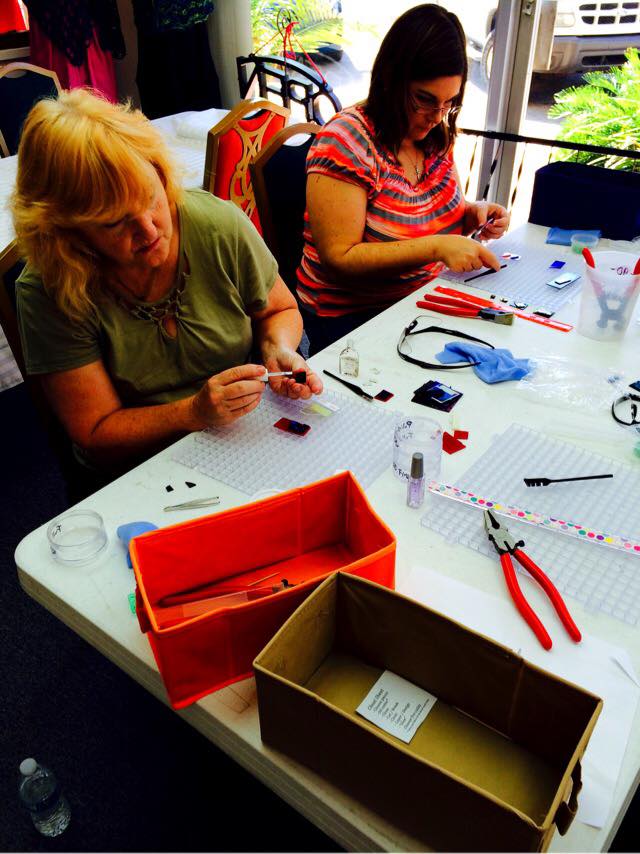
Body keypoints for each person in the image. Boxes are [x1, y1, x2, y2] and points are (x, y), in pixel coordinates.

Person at [11, 88, 322, 489]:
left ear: (160, 173)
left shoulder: (216, 223)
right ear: (66, 233)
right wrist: (192, 413)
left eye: (151, 198)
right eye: (113, 223)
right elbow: (95, 433)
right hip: (139, 474)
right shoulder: (50, 288)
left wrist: (276, 348)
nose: (148, 229)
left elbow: (279, 311)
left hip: (244, 435)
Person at [297, 3, 510, 354]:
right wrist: (437, 247)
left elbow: (423, 214)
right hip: (349, 323)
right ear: (392, 80)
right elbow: (340, 257)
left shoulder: (435, 137)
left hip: (417, 305)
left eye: (448, 103)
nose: (435, 116)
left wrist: (472, 214)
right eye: (424, 100)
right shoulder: (346, 140)